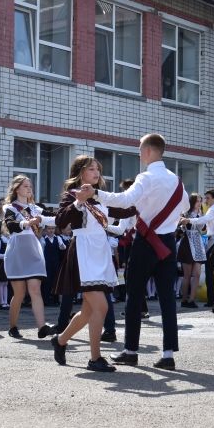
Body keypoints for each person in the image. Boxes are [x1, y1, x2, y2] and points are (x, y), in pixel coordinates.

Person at [84, 134, 189, 370]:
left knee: (134, 295)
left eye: (141, 149)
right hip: (168, 243)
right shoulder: (177, 181)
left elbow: (124, 200)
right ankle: (168, 354)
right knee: (167, 299)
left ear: (150, 151)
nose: (139, 153)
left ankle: (131, 350)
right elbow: (184, 207)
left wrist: (96, 193)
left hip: (145, 242)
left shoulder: (146, 177)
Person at [51, 156, 137, 371]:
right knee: (102, 306)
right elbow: (61, 222)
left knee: (89, 311)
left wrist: (148, 201)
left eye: (98, 169)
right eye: (91, 169)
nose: (97, 172)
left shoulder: (102, 198)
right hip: (83, 252)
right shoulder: (71, 196)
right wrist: (78, 202)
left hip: (100, 251)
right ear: (80, 172)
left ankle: (60, 340)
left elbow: (126, 209)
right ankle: (95, 358)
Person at [0, 175, 60, 339]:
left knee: (35, 290)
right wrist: (27, 223)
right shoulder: (9, 207)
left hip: (33, 252)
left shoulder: (36, 208)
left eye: (30, 186)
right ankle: (13, 326)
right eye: (25, 186)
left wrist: (70, 210)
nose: (29, 189)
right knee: (19, 293)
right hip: (17, 252)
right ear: (17, 188)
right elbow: (11, 225)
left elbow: (54, 217)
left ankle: (41, 327)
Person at [176, 193, 206, 309]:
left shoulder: (202, 214)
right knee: (187, 275)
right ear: (192, 202)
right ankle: (184, 299)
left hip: (198, 242)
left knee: (197, 274)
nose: (199, 203)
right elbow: (181, 226)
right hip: (187, 242)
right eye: (197, 201)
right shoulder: (186, 214)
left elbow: (203, 228)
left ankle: (192, 299)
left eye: (200, 201)